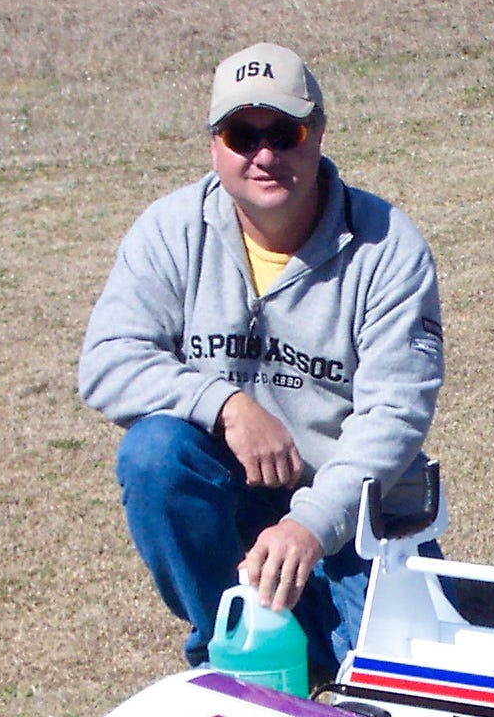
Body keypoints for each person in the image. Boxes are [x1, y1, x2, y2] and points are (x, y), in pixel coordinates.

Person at [79, 42, 445, 681]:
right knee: (154, 454)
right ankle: (225, 642)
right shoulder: (169, 231)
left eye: (285, 131)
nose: (265, 154)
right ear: (213, 145)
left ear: (320, 132)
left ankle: (301, 629)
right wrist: (224, 405)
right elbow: (108, 361)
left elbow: (395, 415)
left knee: (392, 686)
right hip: (234, 503)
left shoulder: (390, 247)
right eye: (241, 135)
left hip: (353, 516)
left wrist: (308, 526)